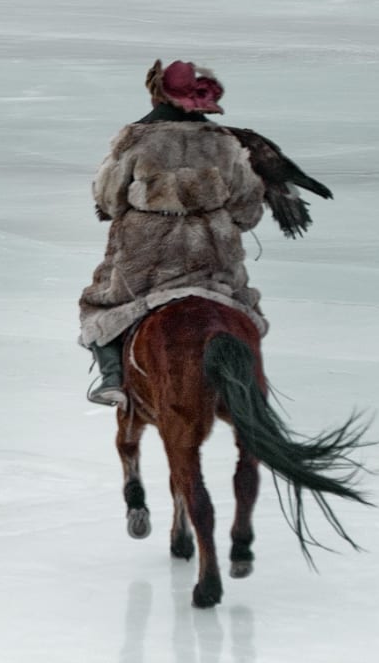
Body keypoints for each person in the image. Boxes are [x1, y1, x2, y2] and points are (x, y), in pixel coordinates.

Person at [77, 59, 266, 409]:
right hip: (212, 260)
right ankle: (248, 381)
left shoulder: (134, 140)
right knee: (240, 307)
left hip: (145, 262)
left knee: (100, 306)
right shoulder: (225, 144)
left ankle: (112, 378)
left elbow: (108, 198)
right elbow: (248, 206)